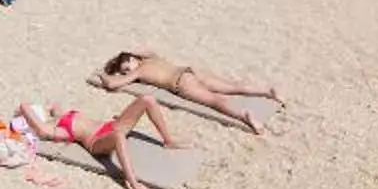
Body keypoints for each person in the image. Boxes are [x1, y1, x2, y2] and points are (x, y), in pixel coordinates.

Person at [20, 93, 180, 189]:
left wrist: (46, 108)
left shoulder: (60, 116)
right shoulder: (54, 130)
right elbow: (33, 119)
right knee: (118, 135)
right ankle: (135, 186)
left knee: (147, 99)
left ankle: (169, 140)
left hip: (108, 126)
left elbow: (54, 104)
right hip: (96, 141)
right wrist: (27, 111)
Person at [94, 50, 285, 132]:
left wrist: (103, 75)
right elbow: (147, 48)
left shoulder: (140, 70)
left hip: (180, 82)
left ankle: (245, 115)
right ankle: (268, 91)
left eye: (128, 68)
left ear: (134, 61)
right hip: (188, 70)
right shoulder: (152, 59)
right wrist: (129, 54)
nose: (129, 71)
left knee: (214, 101)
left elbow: (112, 85)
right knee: (233, 86)